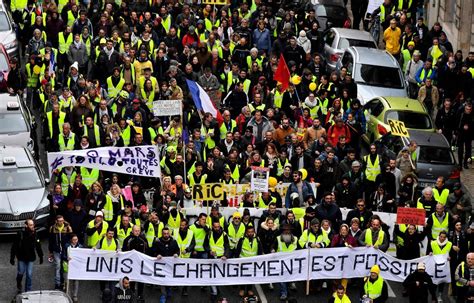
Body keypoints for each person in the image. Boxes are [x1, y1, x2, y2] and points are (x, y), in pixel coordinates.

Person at [10, 219, 44, 293]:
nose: (33, 226)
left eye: (33, 224)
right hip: (21, 257)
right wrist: (12, 258)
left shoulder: (35, 233)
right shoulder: (20, 234)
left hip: (30, 258)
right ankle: (19, 282)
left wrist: (41, 256)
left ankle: (28, 291)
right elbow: (14, 246)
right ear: (26, 225)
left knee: (29, 274)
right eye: (31, 225)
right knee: (21, 273)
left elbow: (38, 246)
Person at [122, 225, 147, 301]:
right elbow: (124, 251)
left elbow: (147, 250)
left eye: (138, 231)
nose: (137, 232)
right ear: (132, 231)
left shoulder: (143, 239)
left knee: (140, 280)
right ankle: (131, 293)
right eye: (135, 231)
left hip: (140, 264)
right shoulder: (127, 239)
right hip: (131, 265)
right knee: (131, 280)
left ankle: (140, 294)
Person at [48, 215, 73, 290]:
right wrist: (50, 251)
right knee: (58, 266)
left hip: (65, 250)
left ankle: (64, 283)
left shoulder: (68, 227)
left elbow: (71, 238)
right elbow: (51, 240)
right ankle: (57, 284)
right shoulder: (52, 228)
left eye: (62, 220)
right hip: (56, 250)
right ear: (56, 221)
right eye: (59, 221)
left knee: (64, 267)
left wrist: (69, 249)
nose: (61, 222)